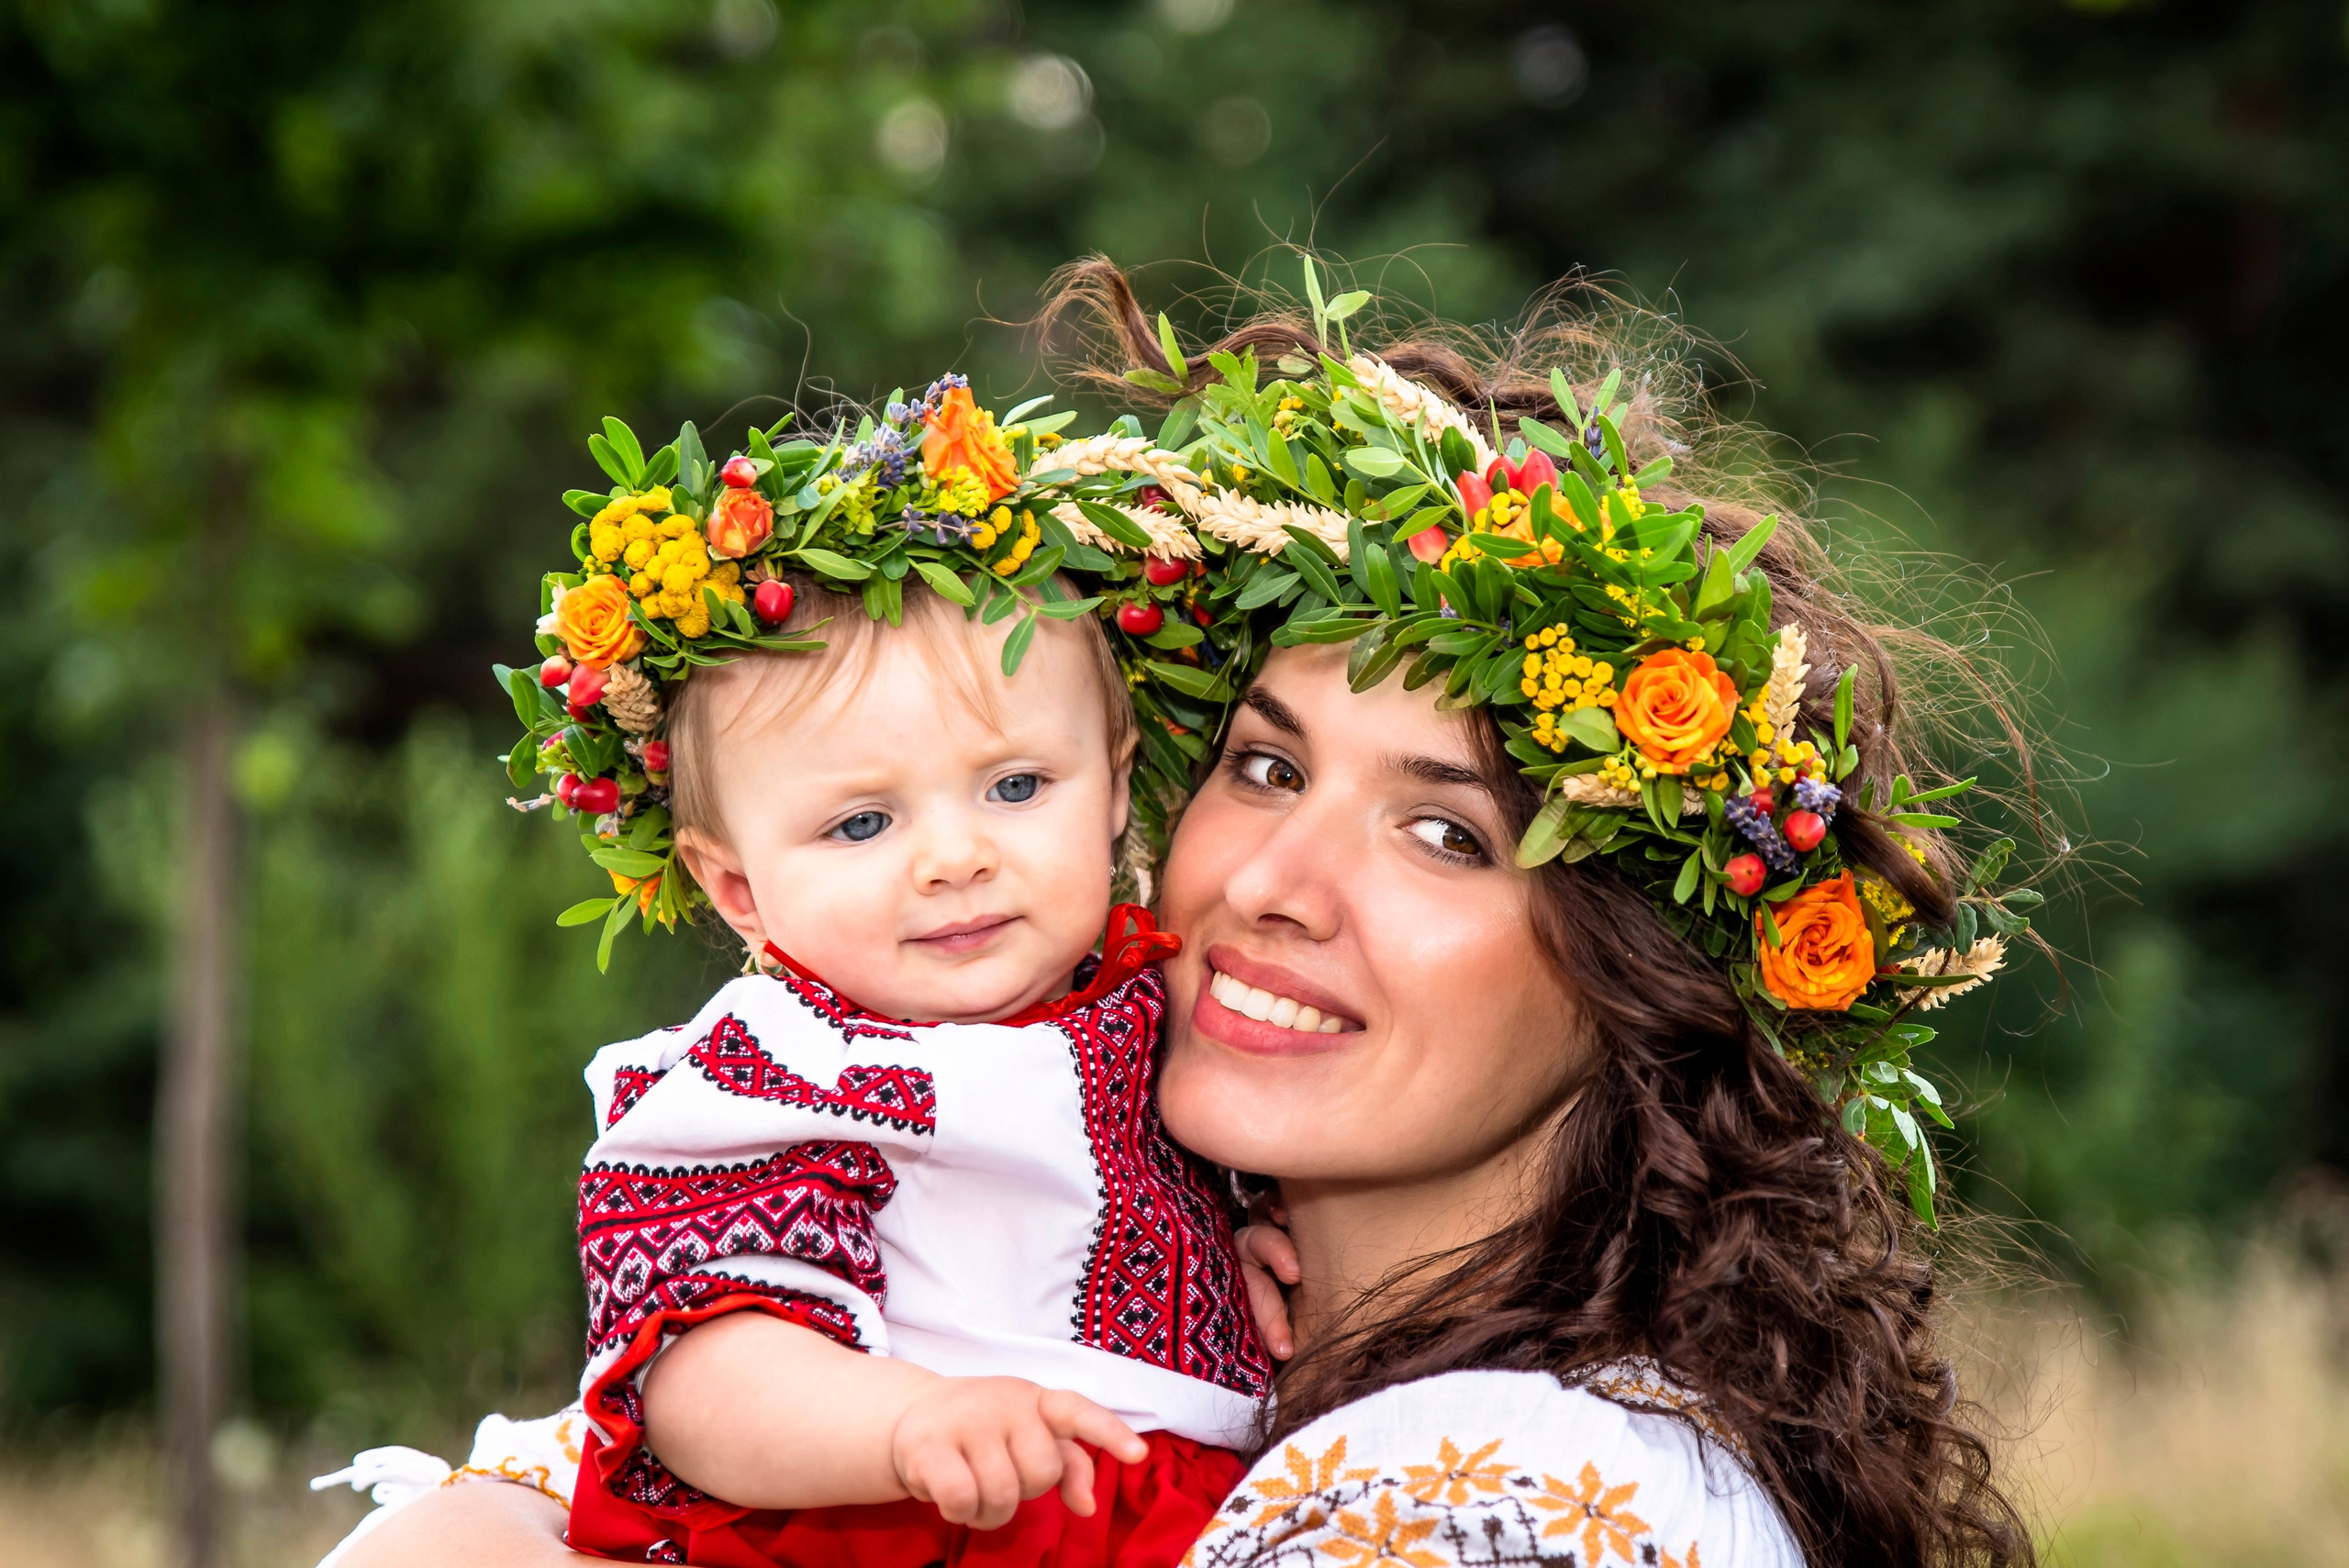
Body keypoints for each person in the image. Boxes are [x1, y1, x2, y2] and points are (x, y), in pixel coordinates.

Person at [328, 267, 2036, 1566]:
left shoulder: (1508, 1495)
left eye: (1446, 831)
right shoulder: (973, 1145)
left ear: (1643, 969)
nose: (1272, 884)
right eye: (1269, 768)